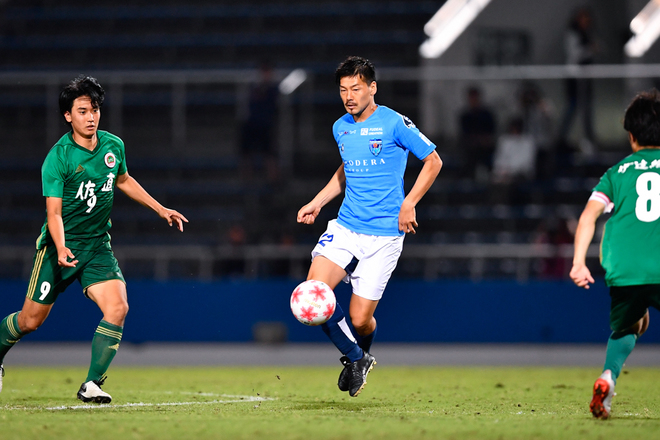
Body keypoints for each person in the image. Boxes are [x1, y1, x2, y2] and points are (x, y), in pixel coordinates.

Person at [0, 76, 188, 403]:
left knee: (118, 307)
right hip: (59, 249)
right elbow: (54, 214)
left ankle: (91, 384)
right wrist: (60, 247)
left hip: (97, 247)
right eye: (83, 110)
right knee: (30, 321)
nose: (91, 116)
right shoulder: (58, 158)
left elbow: (124, 179)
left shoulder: (113, 146)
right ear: (68, 116)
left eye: (95, 109)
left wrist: (160, 209)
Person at [296, 56, 442, 397]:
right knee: (313, 296)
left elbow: (433, 161)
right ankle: (356, 357)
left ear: (372, 88)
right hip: (346, 228)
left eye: (356, 88)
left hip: (385, 236)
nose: (349, 95)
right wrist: (318, 202)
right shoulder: (340, 127)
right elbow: (346, 170)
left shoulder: (394, 123)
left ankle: (360, 351)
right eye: (344, 89)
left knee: (361, 320)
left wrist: (409, 203)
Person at [570, 89, 660, 419]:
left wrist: (579, 262)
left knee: (632, 324)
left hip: (625, 270)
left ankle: (607, 378)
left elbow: (588, 217)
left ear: (632, 136)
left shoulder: (616, 173)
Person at [559, 7, 598, 162]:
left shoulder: (587, 34)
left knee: (586, 106)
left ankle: (588, 137)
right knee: (573, 105)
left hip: (585, 76)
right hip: (575, 76)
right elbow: (574, 54)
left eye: (587, 20)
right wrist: (590, 49)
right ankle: (562, 138)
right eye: (583, 19)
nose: (586, 22)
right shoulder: (572, 34)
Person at [458, 86, 496, 181]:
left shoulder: (487, 115)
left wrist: (483, 140)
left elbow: (491, 133)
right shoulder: (465, 116)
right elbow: (464, 135)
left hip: (486, 150)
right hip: (470, 150)